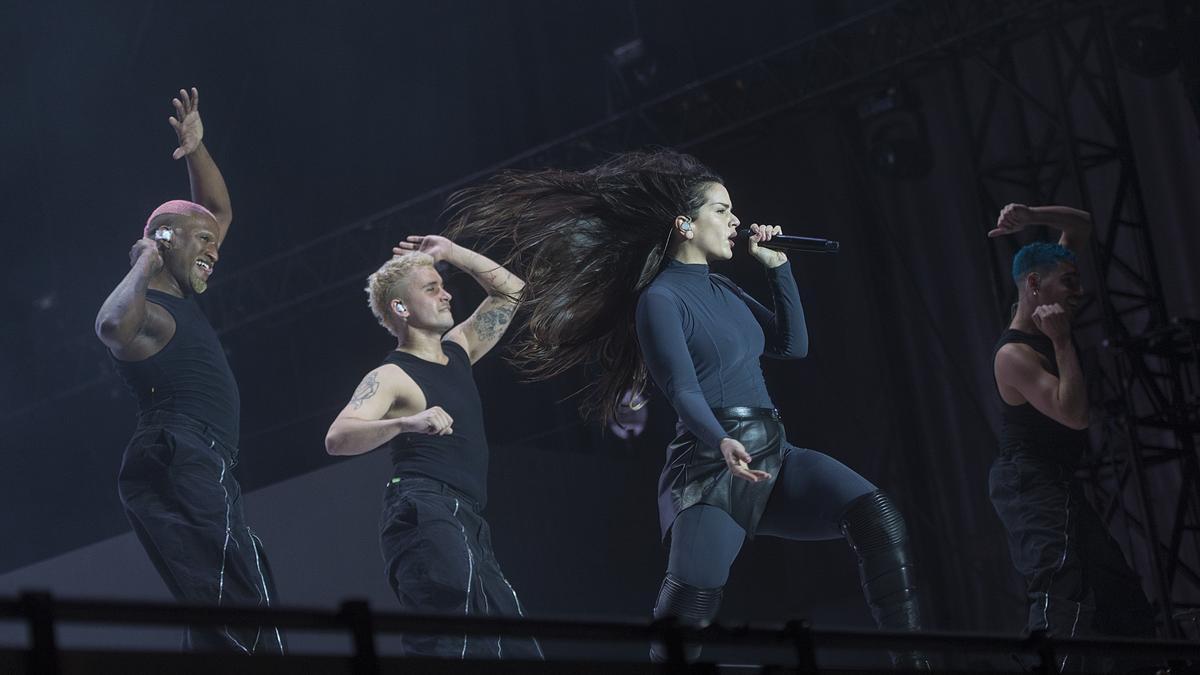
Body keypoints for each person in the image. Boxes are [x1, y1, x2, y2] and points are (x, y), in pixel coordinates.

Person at [443, 150, 929, 667]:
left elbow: (792, 346)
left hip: (773, 452)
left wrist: (779, 270)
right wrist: (719, 439)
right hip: (710, 465)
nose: (736, 221)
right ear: (685, 225)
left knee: (878, 518)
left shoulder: (723, 286)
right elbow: (682, 389)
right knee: (693, 598)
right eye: (722, 211)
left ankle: (912, 663)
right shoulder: (661, 300)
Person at [94, 88, 284, 653]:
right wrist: (146, 259)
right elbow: (109, 327)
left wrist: (197, 150)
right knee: (240, 609)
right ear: (164, 239)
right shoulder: (148, 312)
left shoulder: (181, 289)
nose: (215, 249)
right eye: (201, 242)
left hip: (203, 462)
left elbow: (217, 212)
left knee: (231, 607)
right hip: (178, 452)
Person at [325, 235, 542, 659]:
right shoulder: (391, 375)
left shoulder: (459, 350)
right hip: (425, 508)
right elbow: (337, 437)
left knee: (516, 646)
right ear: (401, 308)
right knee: (451, 638)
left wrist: (449, 253)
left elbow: (512, 291)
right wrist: (407, 422)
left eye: (441, 285)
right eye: (430, 288)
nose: (446, 294)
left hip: (467, 519)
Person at [988, 204, 1155, 670]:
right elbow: (1075, 415)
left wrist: (1031, 213)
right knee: (1062, 593)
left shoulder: (1047, 296)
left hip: (1057, 480)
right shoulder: (1015, 355)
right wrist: (1061, 341)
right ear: (1035, 286)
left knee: (1118, 591)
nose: (1079, 292)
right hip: (1028, 482)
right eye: (1069, 282)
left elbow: (1080, 224)